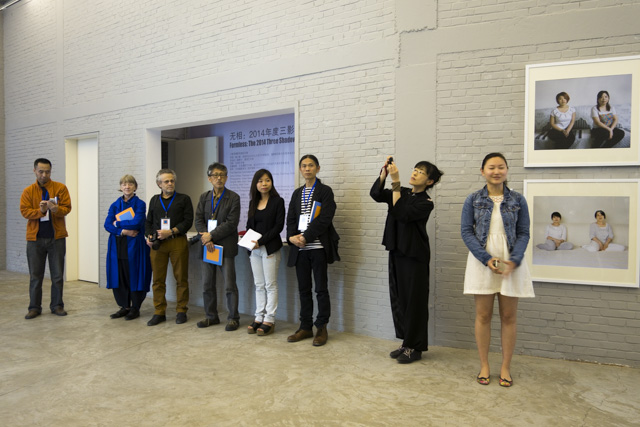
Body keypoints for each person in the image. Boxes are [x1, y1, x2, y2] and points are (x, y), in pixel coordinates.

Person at [461, 153, 534, 387]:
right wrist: (486, 258)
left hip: (510, 262)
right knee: (483, 315)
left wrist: (513, 260)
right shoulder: (472, 200)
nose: (496, 171)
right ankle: (484, 365)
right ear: (482, 171)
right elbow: (466, 232)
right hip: (482, 261)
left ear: (507, 170)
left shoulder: (518, 200)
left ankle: (505, 367)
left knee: (509, 317)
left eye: (501, 167)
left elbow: (523, 233)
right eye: (491, 167)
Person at [370, 156, 443, 364]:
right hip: (397, 251)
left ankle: (415, 347)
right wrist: (384, 174)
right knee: (400, 298)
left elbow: (401, 212)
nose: (415, 173)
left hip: (414, 256)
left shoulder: (426, 203)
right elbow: (375, 194)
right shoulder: (401, 191)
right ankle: (406, 342)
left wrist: (395, 181)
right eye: (415, 169)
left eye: (421, 172)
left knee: (415, 302)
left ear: (429, 181)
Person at [286, 154, 340, 346]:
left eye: (311, 165)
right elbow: (291, 218)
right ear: (300, 170)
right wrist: (291, 237)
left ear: (318, 168)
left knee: (321, 289)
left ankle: (321, 327)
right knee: (303, 289)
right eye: (303, 166)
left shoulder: (325, 191)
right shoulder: (297, 193)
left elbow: (325, 219)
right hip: (300, 250)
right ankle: (305, 327)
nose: (307, 169)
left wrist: (305, 237)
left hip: (317, 248)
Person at [20, 158, 72, 319]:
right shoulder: (28, 191)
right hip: (35, 239)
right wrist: (41, 211)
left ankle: (57, 305)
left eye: (47, 171)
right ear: (34, 170)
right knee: (36, 276)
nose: (44, 174)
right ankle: (34, 307)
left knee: (57, 275)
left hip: (56, 238)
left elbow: (67, 208)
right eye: (41, 171)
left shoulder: (60, 188)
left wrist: (55, 208)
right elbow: (25, 211)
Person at [194, 163, 241, 331]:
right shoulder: (204, 197)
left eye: (222, 175)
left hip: (225, 247)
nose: (219, 178)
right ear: (209, 178)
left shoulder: (233, 197)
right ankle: (211, 316)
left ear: (226, 178)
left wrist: (210, 235)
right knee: (207, 284)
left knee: (229, 285)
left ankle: (233, 318)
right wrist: (206, 238)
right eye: (215, 175)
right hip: (208, 247)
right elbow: (198, 219)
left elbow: (231, 223)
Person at [145, 169, 193, 326]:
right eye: (166, 181)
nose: (170, 183)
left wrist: (170, 232)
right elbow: (149, 221)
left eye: (172, 180)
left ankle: (181, 310)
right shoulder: (154, 200)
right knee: (158, 280)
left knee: (181, 278)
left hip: (177, 241)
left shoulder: (184, 199)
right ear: (159, 184)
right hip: (158, 244)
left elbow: (188, 221)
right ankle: (159, 311)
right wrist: (149, 236)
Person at [104, 175, 151, 321]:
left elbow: (136, 223)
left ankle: (135, 307)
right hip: (117, 246)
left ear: (135, 187)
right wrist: (122, 231)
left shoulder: (140, 204)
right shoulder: (115, 205)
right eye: (124, 184)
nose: (127, 186)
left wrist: (116, 224)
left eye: (130, 184)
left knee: (134, 276)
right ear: (121, 187)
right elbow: (107, 225)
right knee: (120, 276)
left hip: (135, 247)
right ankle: (124, 307)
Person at [246, 169, 285, 336]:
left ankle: (269, 319)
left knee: (270, 285)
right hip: (254, 250)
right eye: (261, 181)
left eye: (267, 180)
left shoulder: (278, 201)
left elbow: (278, 227)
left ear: (271, 182)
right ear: (256, 184)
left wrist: (259, 242)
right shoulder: (253, 202)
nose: (264, 184)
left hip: (270, 248)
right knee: (259, 285)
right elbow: (250, 226)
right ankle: (258, 316)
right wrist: (249, 241)